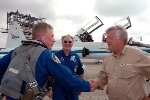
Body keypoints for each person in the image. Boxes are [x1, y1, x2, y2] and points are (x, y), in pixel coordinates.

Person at [0, 22, 96, 100]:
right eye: (52, 36)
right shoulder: (45, 55)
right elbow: (65, 76)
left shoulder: (18, 49)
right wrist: (87, 85)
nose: (54, 40)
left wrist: (8, 91)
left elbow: (1, 67)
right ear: (42, 36)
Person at [90, 25, 150, 100]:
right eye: (107, 38)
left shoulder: (138, 55)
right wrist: (96, 83)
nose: (107, 41)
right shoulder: (108, 59)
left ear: (120, 39)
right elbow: (102, 77)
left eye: (110, 38)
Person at [48, 34, 84, 100]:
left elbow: (80, 73)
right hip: (59, 88)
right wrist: (49, 90)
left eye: (70, 42)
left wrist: (80, 86)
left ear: (72, 43)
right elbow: (49, 74)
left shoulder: (76, 57)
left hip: (72, 88)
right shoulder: (55, 56)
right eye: (65, 41)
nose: (67, 43)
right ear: (62, 43)